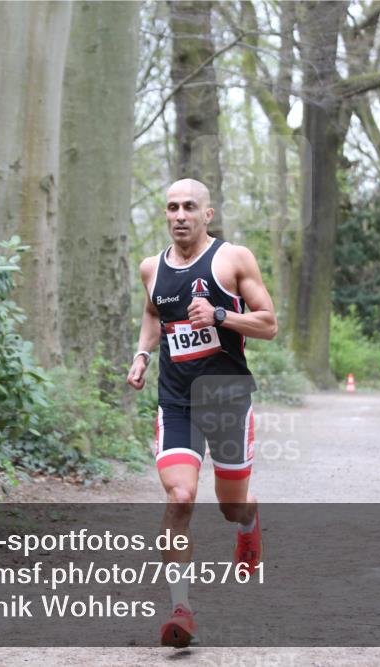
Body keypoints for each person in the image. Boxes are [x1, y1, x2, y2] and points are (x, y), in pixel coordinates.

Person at [126, 178, 277, 648]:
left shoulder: (234, 259)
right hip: (177, 403)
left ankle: (248, 523)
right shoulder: (151, 268)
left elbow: (269, 323)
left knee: (230, 505)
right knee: (181, 497)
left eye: (190, 207)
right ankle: (181, 610)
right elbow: (154, 313)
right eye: (172, 207)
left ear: (207, 214)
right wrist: (143, 354)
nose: (180, 215)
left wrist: (218, 316)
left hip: (228, 398)